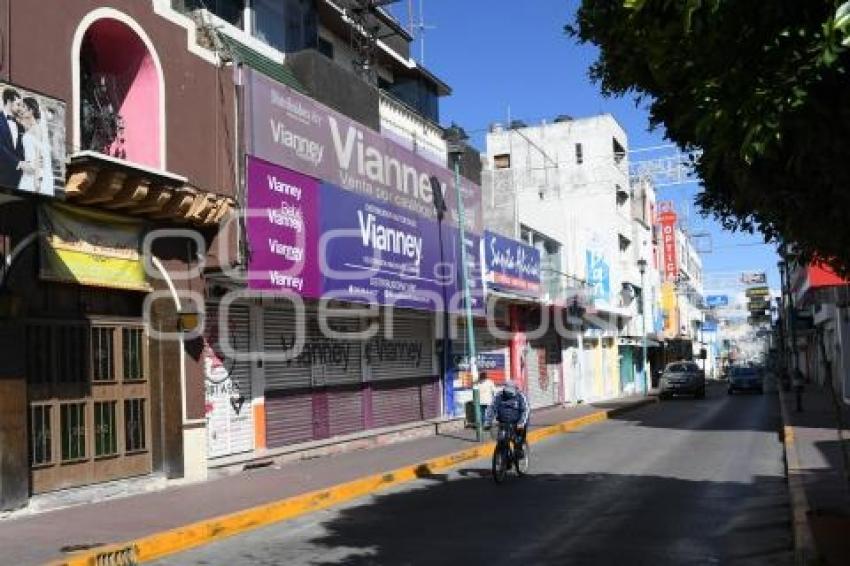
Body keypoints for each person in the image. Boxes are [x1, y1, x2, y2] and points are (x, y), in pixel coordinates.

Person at [18, 97, 52, 195]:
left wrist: (37, 179)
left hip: (33, 172)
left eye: (24, 106)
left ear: (31, 110)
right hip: (27, 170)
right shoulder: (29, 129)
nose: (21, 109)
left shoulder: (37, 129)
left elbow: (38, 155)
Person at [486, 379, 530, 455]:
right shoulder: (499, 395)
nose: (508, 393)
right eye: (507, 391)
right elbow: (492, 408)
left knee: (518, 441)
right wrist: (488, 421)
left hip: (517, 423)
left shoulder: (520, 396)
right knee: (502, 440)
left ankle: (519, 452)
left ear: (515, 389)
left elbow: (525, 410)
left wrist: (521, 422)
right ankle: (503, 458)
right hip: (503, 423)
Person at [0, 88, 25, 190]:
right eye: (18, 104)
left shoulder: (20, 126)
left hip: (16, 181)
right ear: (9, 102)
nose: (20, 108)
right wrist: (17, 163)